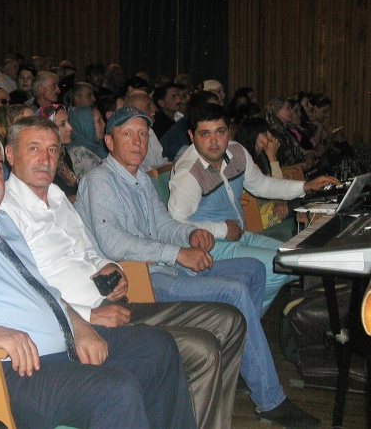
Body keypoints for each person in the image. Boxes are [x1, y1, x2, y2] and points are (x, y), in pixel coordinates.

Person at [0, 128, 196, 429]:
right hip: (3, 371)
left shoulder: (1, 221)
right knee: (114, 390)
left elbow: (43, 291)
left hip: (55, 351)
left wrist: (79, 326)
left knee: (157, 348)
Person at [75, 106, 323, 428]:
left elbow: (164, 224)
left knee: (253, 270)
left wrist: (190, 234)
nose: (138, 142)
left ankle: (241, 360)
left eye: (142, 134)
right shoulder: (100, 181)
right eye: (127, 134)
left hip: (161, 268)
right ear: (109, 142)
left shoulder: (138, 179)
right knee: (233, 291)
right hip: (138, 280)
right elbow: (113, 243)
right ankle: (270, 400)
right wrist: (178, 253)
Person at [1, 116, 246, 428]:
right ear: (10, 154)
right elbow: (26, 287)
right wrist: (87, 317)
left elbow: (91, 250)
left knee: (229, 319)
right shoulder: (5, 211)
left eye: (52, 150)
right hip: (82, 319)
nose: (45, 158)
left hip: (112, 301)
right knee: (200, 349)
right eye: (34, 148)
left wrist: (111, 268)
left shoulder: (58, 197)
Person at [169, 103, 340, 312]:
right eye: (205, 134)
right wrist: (222, 229)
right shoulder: (188, 173)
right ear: (191, 135)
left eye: (220, 132)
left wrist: (306, 186)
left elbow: (262, 185)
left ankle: (242, 316)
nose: (213, 141)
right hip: (210, 246)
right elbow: (175, 225)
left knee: (295, 261)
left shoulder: (237, 152)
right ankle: (247, 321)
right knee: (278, 267)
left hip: (239, 236)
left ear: (229, 131)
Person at [36, 104, 78, 197]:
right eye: (62, 124)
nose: (70, 128)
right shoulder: (44, 160)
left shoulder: (62, 153)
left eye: (68, 122)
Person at [67, 105, 107, 179]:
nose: (104, 124)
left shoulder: (98, 146)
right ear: (87, 125)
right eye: (99, 121)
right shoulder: (79, 154)